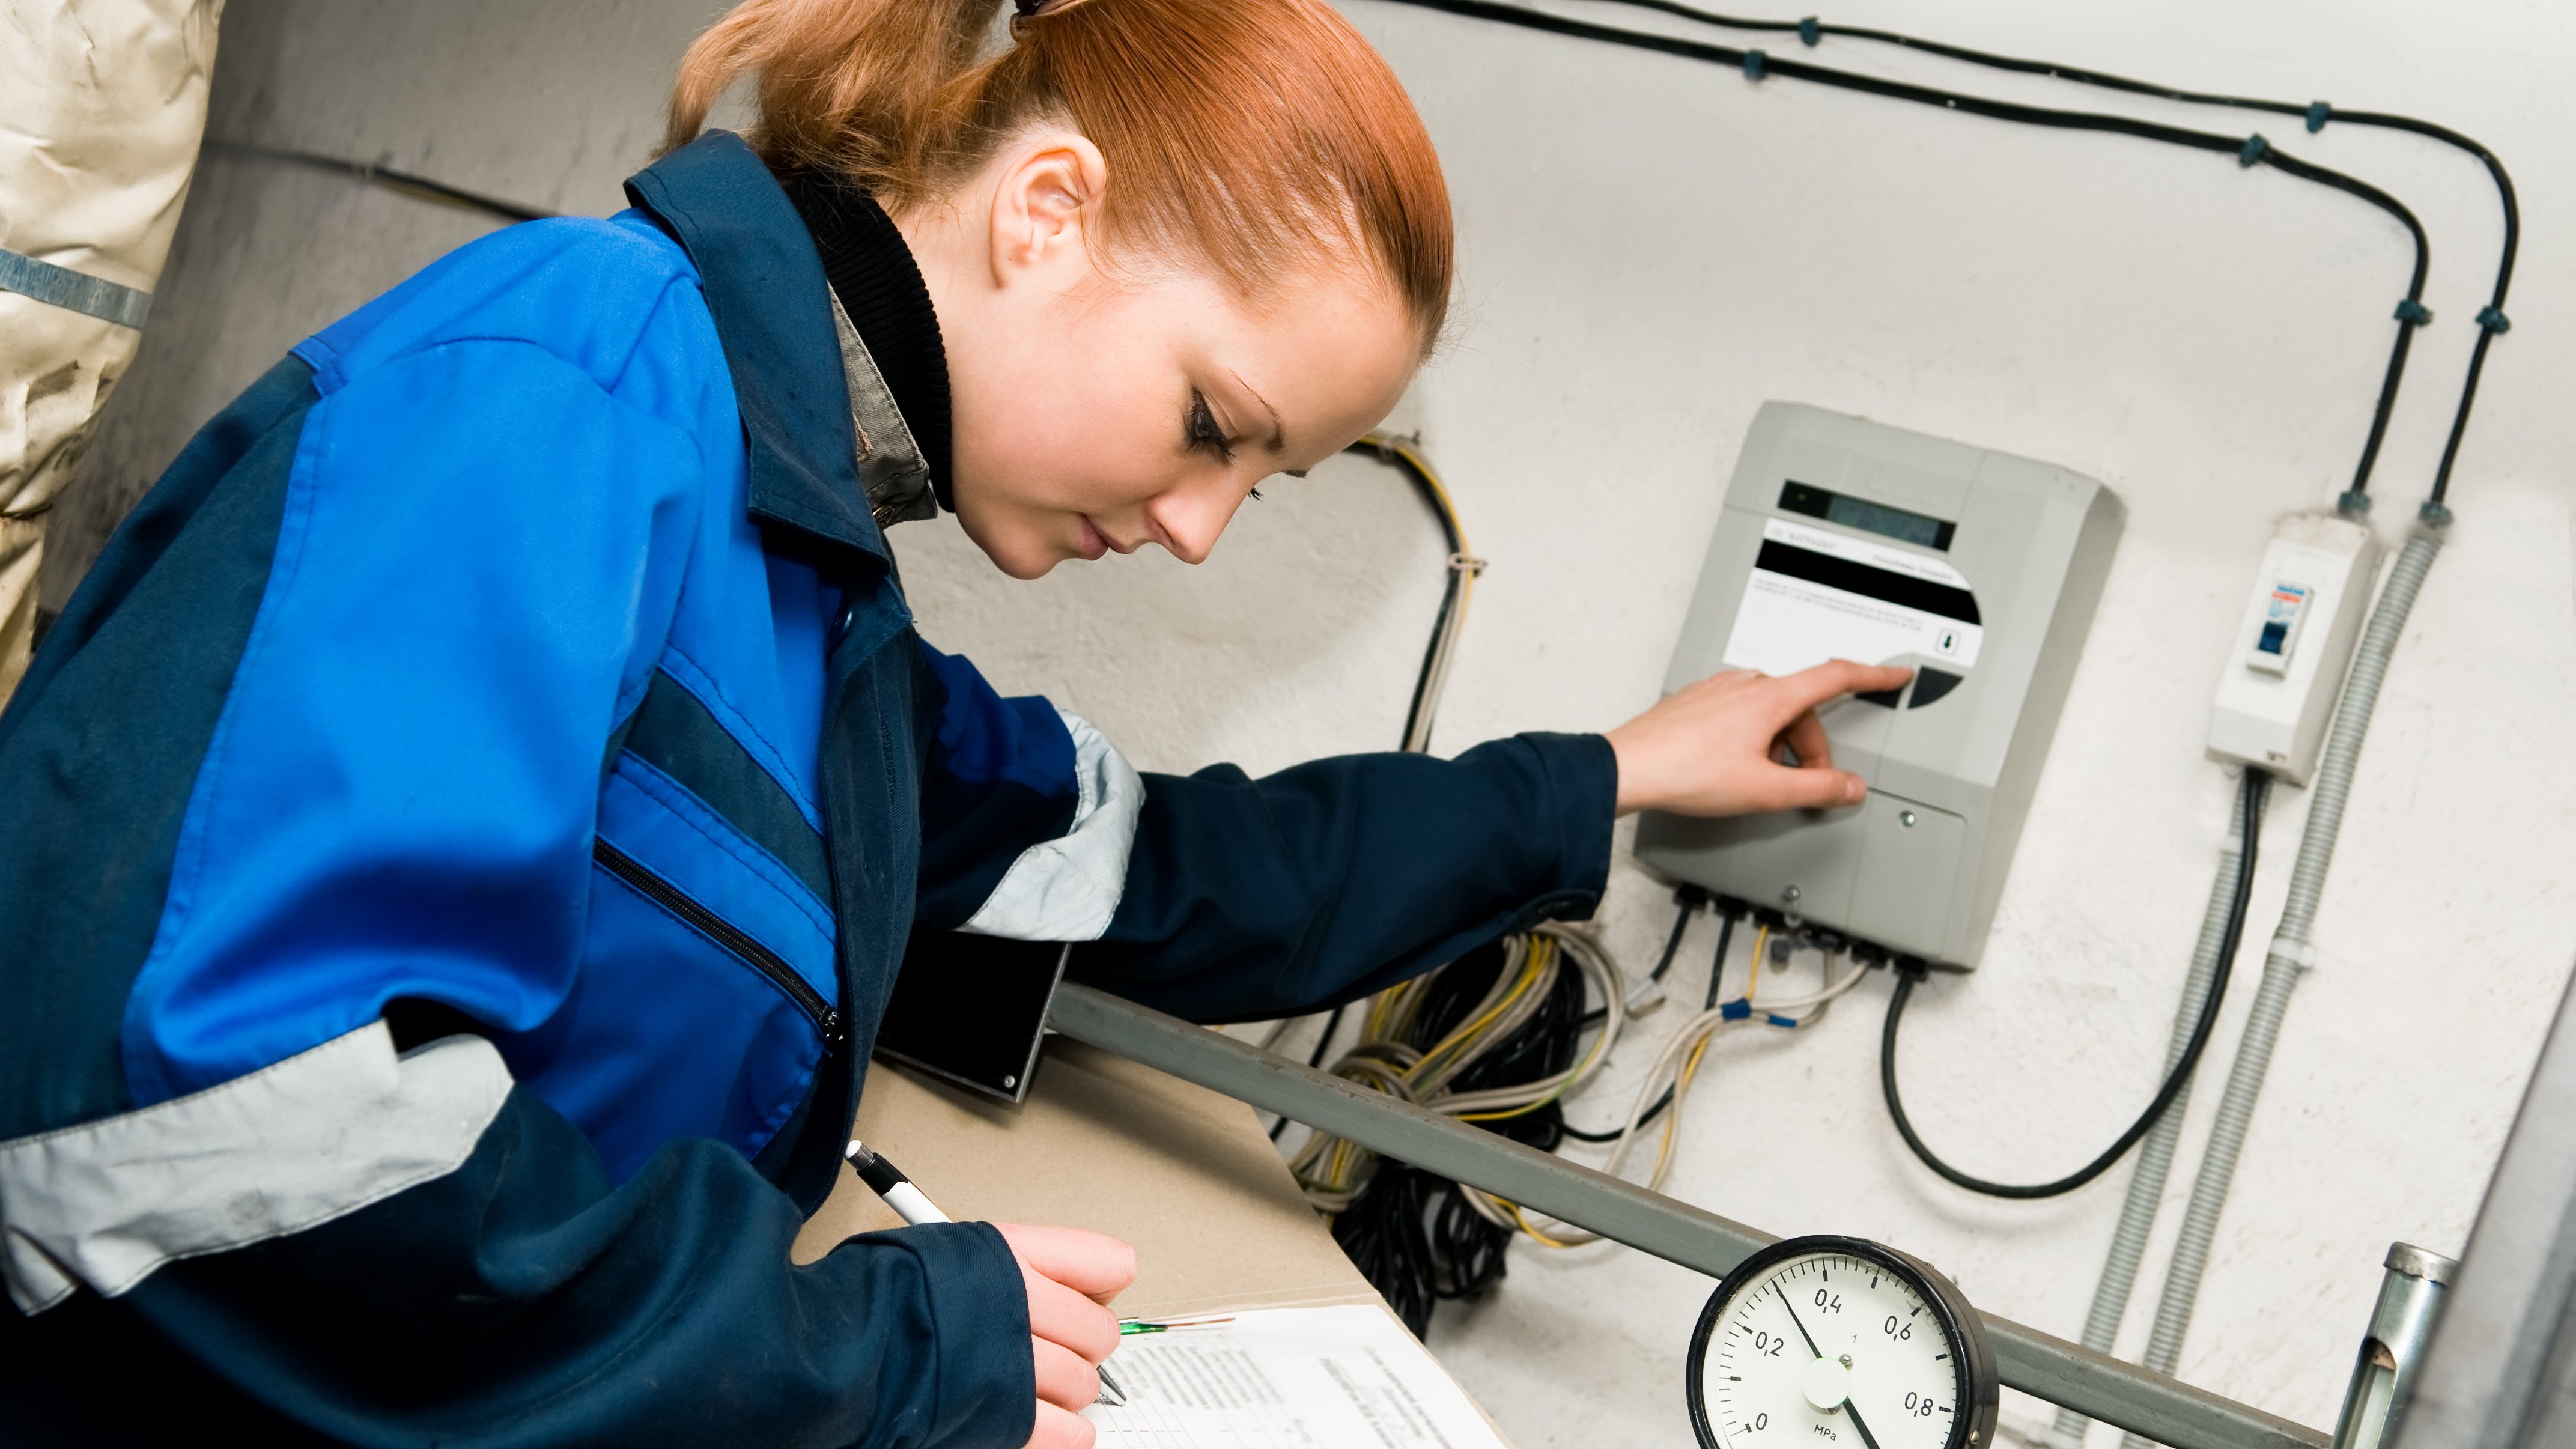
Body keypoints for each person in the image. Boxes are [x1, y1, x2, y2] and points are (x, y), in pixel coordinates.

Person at [0, 0, 1907, 1444]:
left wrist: (1614, 779)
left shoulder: (818, 608)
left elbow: (1169, 871)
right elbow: (217, 1119)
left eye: (1271, 481)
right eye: (1212, 425)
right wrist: (882, 1356)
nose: (1194, 527)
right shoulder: (572, 389)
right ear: (1049, 215)